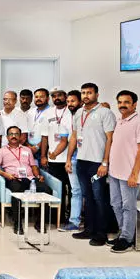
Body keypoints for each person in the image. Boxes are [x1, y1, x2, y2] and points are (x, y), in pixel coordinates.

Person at [66, 82, 117, 246]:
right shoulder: (78, 113)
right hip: (82, 162)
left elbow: (110, 139)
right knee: (87, 197)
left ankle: (101, 234)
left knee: (98, 197)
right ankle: (89, 229)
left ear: (96, 94)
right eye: (83, 93)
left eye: (89, 92)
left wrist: (105, 163)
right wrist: (69, 159)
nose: (86, 95)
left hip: (97, 163)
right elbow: (74, 137)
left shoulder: (105, 113)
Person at [108, 90, 140, 253]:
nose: (122, 105)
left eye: (126, 102)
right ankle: (123, 233)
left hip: (129, 174)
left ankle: (127, 238)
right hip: (115, 172)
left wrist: (135, 174)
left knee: (128, 206)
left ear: (134, 104)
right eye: (119, 102)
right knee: (115, 204)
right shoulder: (119, 121)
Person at [0, 126, 53, 234]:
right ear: (7, 137)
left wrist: (38, 176)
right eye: (11, 134)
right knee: (17, 193)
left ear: (20, 136)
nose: (13, 136)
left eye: (16, 134)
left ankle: (40, 222)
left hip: (30, 178)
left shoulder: (27, 150)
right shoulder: (1, 151)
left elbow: (33, 166)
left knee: (47, 190)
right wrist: (5, 174)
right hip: (13, 178)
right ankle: (18, 223)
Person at [41, 88, 74, 230]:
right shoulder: (48, 113)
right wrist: (43, 155)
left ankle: (71, 217)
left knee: (72, 191)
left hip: (70, 159)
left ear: (65, 96)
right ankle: (57, 218)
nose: (57, 98)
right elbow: (44, 136)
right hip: (53, 160)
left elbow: (69, 139)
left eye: (59, 95)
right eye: (54, 96)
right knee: (57, 190)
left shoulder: (71, 112)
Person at [60, 90, 84, 232]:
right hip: (74, 158)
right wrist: (68, 159)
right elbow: (70, 140)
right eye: (68, 101)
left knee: (90, 193)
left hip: (88, 160)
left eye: (73, 101)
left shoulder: (86, 115)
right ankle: (74, 221)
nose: (70, 104)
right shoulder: (67, 118)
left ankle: (90, 222)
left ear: (80, 102)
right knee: (76, 191)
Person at [26, 88, 51, 161]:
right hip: (29, 148)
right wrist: (28, 146)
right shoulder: (30, 112)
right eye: (36, 97)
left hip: (43, 149)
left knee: (43, 168)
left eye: (41, 97)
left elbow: (49, 133)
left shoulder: (51, 112)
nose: (38, 99)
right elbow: (27, 130)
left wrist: (37, 147)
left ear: (48, 98)